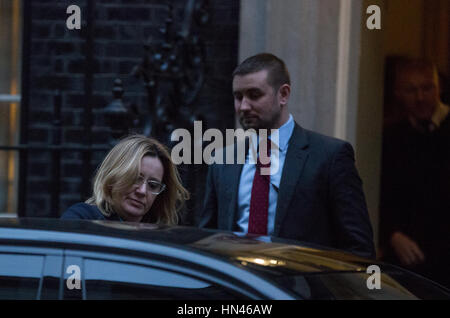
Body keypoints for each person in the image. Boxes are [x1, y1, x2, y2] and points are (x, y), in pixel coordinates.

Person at [199, 53, 375, 259]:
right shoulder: (222, 161)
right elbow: (208, 240)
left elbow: (359, 249)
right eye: (238, 97)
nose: (244, 106)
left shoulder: (330, 156)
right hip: (239, 287)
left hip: (301, 289)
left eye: (254, 95)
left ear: (283, 94)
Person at [380, 58, 450, 287]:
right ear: (398, 93)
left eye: (427, 88)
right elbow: (379, 192)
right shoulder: (390, 138)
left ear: (439, 87)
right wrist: (392, 234)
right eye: (411, 90)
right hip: (407, 262)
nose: (420, 97)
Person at [61, 135, 189, 224]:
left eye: (153, 185)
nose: (142, 191)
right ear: (114, 177)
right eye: (135, 178)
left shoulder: (161, 237)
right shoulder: (82, 218)